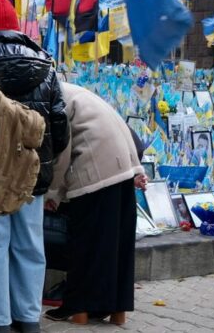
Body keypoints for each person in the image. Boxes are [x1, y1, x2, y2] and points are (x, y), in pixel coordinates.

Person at [0, 0, 69, 333]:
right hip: (31, 172)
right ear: (15, 27)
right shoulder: (46, 67)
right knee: (30, 244)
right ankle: (28, 318)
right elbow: (60, 124)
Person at [45, 82, 147, 325]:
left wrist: (52, 194)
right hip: (123, 166)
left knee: (86, 244)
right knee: (118, 247)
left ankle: (78, 309)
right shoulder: (78, 92)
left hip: (94, 170)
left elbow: (62, 151)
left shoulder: (53, 98)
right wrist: (136, 170)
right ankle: (117, 311)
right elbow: (128, 133)